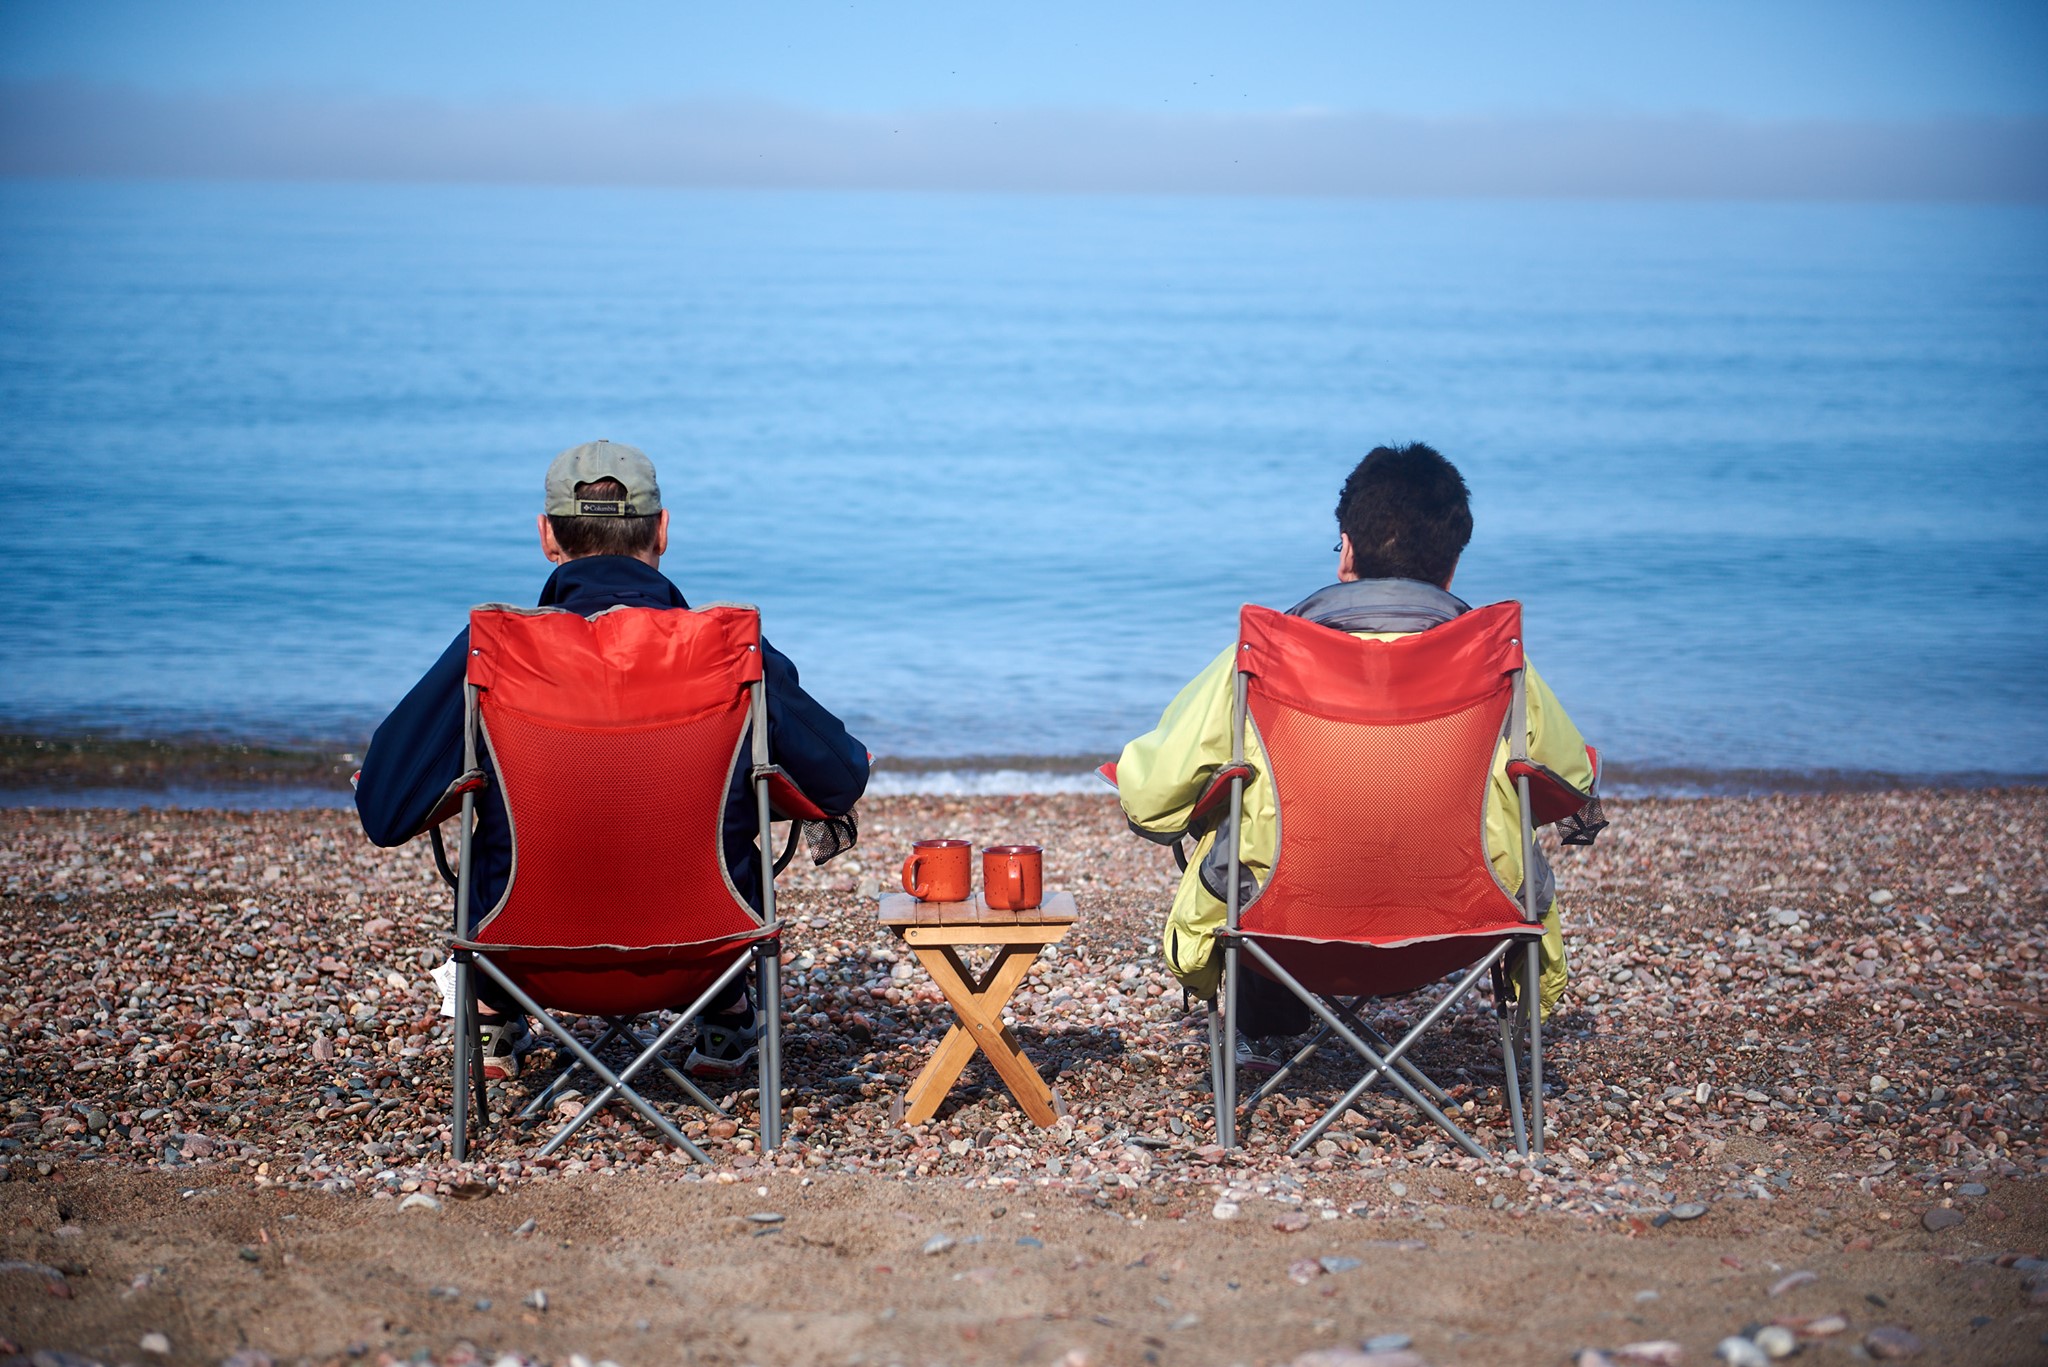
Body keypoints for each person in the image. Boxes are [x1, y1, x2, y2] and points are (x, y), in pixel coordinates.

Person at [355, 440, 869, 1080]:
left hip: (524, 950)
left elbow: (383, 810)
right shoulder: (727, 652)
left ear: (547, 536)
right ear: (662, 530)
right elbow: (841, 777)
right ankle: (727, 1011)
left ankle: (490, 1013)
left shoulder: (495, 654)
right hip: (705, 947)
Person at [1113, 443, 1600, 1071]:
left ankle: (1261, 1031)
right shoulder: (1499, 668)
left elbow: (1151, 802)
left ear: (1346, 551)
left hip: (1282, 930)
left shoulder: (1264, 660)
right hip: (1461, 928)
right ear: (1451, 569)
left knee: (1251, 820)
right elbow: (1572, 782)